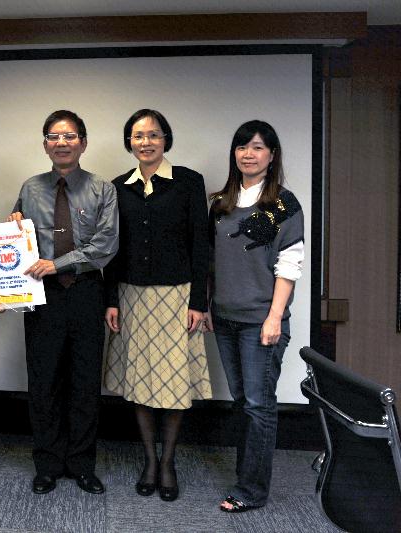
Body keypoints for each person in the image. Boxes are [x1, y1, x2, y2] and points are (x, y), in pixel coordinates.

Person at [103, 109, 212, 502]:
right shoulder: (118, 187)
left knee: (174, 382)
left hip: (177, 296)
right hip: (131, 296)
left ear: (166, 139)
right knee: (140, 381)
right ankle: (150, 460)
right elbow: (112, 249)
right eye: (138, 135)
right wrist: (111, 300)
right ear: (129, 142)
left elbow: (201, 244)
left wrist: (199, 302)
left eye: (153, 134)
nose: (145, 142)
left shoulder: (188, 182)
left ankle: (168, 462)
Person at [9, 110, 118, 495]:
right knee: (44, 382)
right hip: (42, 296)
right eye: (53, 137)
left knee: (84, 382)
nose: (61, 143)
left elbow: (105, 246)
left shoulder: (102, 189)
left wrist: (57, 264)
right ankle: (48, 464)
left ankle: (82, 464)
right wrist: (12, 228)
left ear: (83, 143)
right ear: (45, 145)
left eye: (69, 136)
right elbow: (15, 242)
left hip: (86, 292)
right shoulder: (30, 188)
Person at [208, 120, 304, 513]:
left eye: (259, 147)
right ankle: (246, 478)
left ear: (272, 155)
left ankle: (251, 490)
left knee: (258, 405)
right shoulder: (221, 203)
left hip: (261, 321)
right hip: (225, 318)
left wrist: (274, 317)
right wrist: (210, 306)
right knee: (243, 402)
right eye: (242, 146)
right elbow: (213, 262)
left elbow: (289, 266)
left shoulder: (283, 203)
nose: (249, 154)